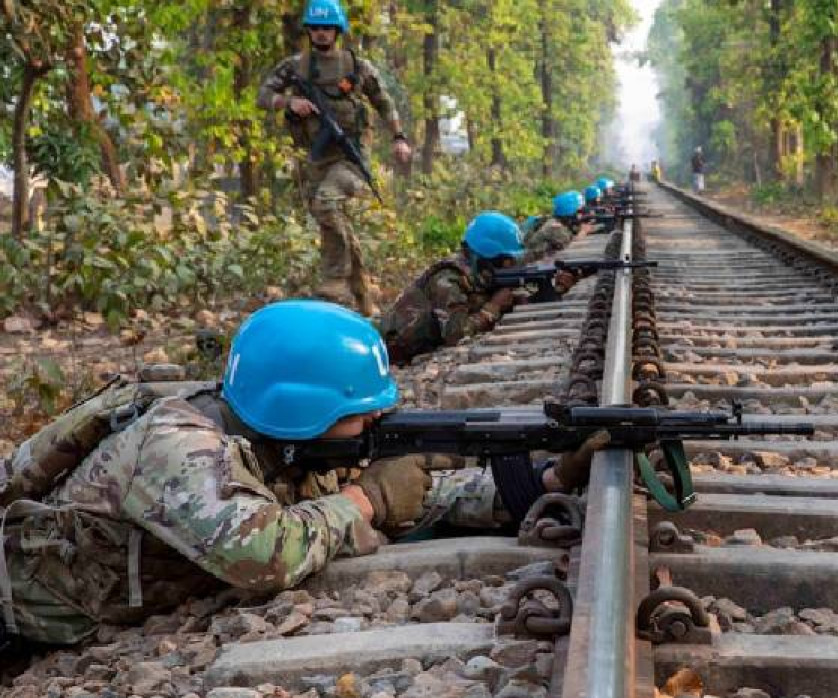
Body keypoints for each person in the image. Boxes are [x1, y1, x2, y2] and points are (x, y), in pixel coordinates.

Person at [0, 300, 607, 646]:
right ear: (301, 411)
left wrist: (543, 483)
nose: (377, 418)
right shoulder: (176, 447)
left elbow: (418, 498)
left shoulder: (285, 440)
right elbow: (264, 554)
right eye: (357, 411)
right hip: (21, 624)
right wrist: (366, 503)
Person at [257, 0, 413, 317]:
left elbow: (384, 103)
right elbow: (263, 95)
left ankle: (334, 283)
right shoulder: (295, 67)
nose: (321, 34)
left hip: (350, 157)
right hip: (317, 157)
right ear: (308, 31)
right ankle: (362, 293)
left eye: (327, 28)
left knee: (327, 204)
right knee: (329, 222)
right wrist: (289, 102)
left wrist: (399, 138)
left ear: (337, 30)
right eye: (315, 28)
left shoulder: (356, 66)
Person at [379, 212, 525, 364]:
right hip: (390, 351)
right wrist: (492, 308)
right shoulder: (447, 279)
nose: (508, 267)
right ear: (485, 259)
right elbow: (456, 335)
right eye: (505, 262)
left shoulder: (478, 274)